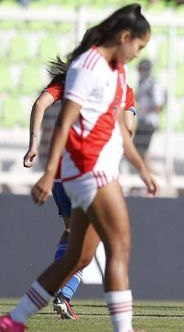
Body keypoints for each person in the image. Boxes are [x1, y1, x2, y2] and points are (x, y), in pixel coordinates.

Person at [0, 4, 157, 332]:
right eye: (138, 47)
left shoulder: (117, 71)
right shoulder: (87, 66)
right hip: (90, 168)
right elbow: (65, 120)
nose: (137, 55)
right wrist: (48, 169)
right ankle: (123, 329)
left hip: (96, 169)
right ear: (125, 37)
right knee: (119, 246)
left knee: (78, 257)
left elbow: (117, 127)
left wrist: (141, 166)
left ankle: (13, 321)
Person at [21, 67, 137, 321]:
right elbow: (128, 131)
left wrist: (33, 145)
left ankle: (33, 307)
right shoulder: (120, 88)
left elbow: (40, 104)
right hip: (89, 170)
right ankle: (61, 296)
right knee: (99, 241)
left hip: (61, 169)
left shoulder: (69, 79)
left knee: (73, 231)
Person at [134, 59, 164, 169]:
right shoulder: (141, 83)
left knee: (142, 149)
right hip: (142, 120)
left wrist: (144, 111)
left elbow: (159, 106)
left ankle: (148, 172)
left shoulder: (153, 84)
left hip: (149, 121)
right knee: (139, 149)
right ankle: (146, 171)